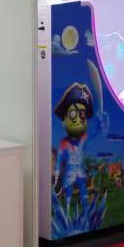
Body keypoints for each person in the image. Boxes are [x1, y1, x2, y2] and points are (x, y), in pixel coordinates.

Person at [53, 83, 94, 213]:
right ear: (64, 120)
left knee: (83, 192)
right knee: (68, 193)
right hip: (69, 174)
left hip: (80, 173)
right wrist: (56, 175)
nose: (77, 119)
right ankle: (67, 214)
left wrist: (101, 124)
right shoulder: (63, 143)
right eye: (72, 114)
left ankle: (85, 213)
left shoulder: (83, 139)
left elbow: (95, 134)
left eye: (82, 115)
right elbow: (59, 160)